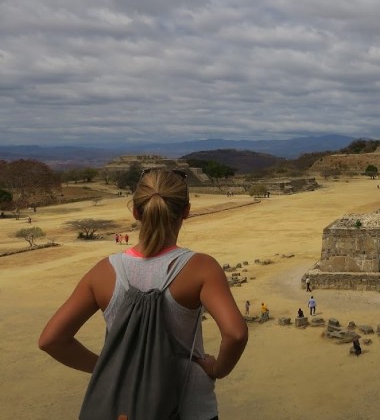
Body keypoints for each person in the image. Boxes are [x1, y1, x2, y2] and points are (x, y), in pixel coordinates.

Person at [38, 168, 248, 419]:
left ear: (136, 211)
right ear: (186, 211)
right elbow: (235, 334)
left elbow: (51, 340)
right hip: (189, 405)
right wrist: (217, 368)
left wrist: (109, 368)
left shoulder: (104, 271)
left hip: (125, 404)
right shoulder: (201, 267)